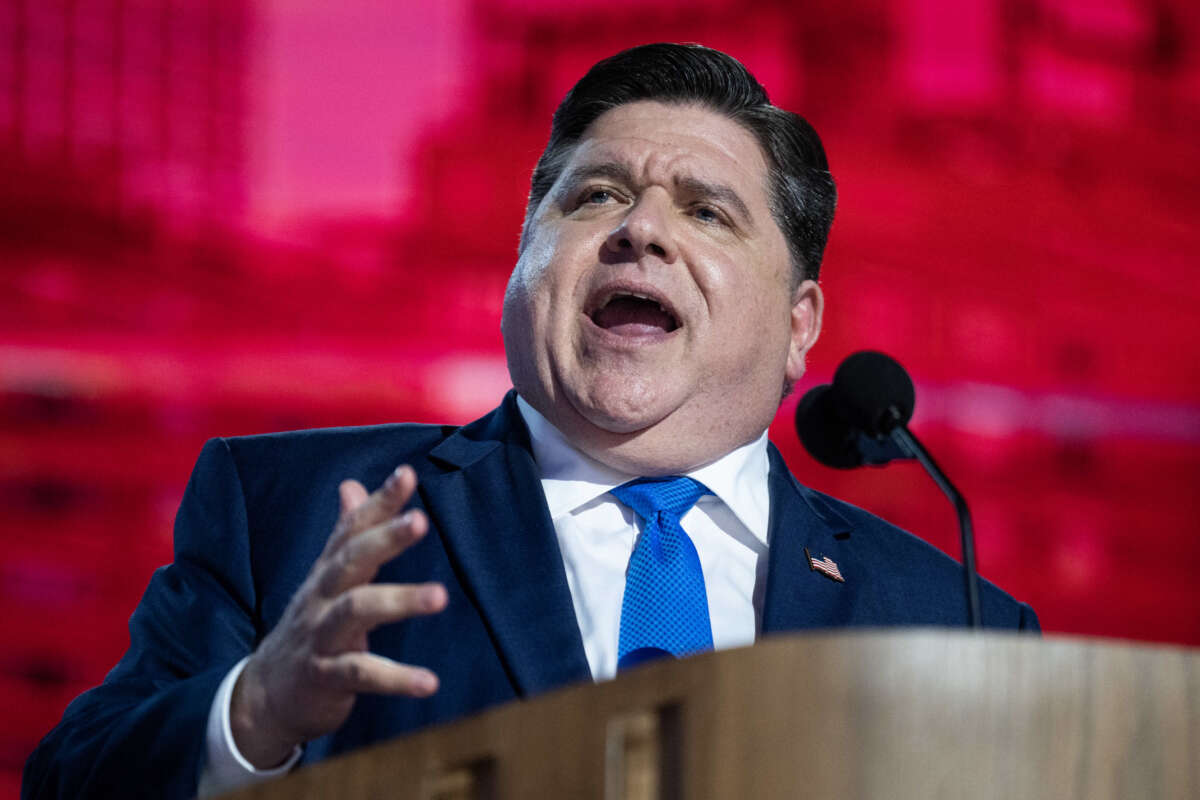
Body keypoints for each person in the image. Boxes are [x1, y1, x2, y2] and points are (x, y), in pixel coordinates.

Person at [23, 43, 1038, 800]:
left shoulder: (956, 620)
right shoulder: (293, 516)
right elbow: (73, 781)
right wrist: (256, 713)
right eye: (595, 196)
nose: (641, 229)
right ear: (522, 266)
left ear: (797, 326)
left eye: (707, 211)